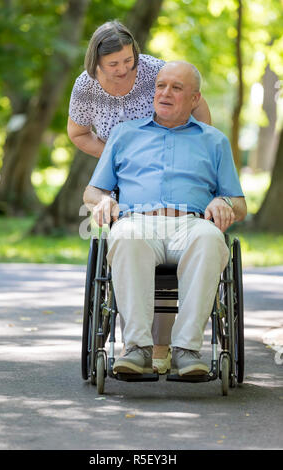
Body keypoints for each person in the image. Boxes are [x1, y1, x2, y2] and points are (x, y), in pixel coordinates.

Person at [83, 61, 247, 376]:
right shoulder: (125, 134)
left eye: (176, 88)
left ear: (195, 99)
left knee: (211, 238)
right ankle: (137, 349)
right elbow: (92, 191)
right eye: (161, 86)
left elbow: (239, 203)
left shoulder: (214, 141)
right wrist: (103, 201)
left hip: (192, 224)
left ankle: (187, 350)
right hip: (137, 222)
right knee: (126, 236)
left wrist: (223, 201)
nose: (165, 93)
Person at [68, 20, 212, 372]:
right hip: (125, 170)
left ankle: (165, 349)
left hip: (175, 167)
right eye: (113, 65)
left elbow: (191, 101)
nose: (123, 70)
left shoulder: (152, 71)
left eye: (128, 61)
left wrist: (204, 146)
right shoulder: (85, 87)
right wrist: (118, 154)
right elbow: (77, 132)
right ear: (96, 64)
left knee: (181, 244)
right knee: (131, 240)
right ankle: (137, 348)